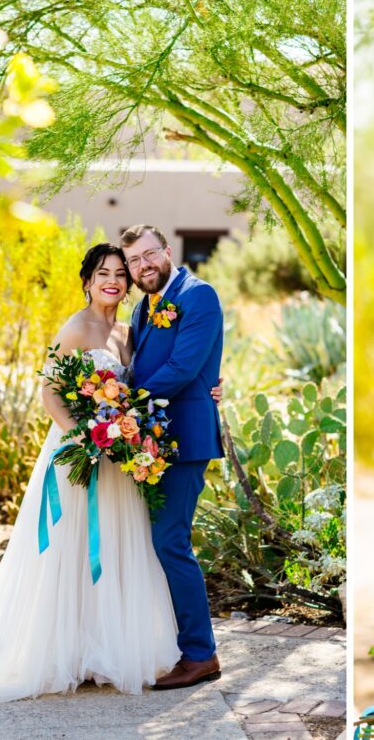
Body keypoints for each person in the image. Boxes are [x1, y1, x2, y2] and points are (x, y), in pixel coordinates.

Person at [0, 243, 222, 707]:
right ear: (87, 281)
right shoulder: (76, 327)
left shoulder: (129, 327)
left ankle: (102, 650)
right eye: (104, 273)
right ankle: (63, 652)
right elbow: (49, 393)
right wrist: (85, 436)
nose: (114, 280)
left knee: (119, 548)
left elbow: (151, 375)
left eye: (121, 272)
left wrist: (207, 384)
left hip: (118, 452)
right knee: (69, 550)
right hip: (81, 451)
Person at [120, 225, 225, 690]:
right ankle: (174, 645)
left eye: (148, 255)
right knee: (156, 543)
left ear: (166, 251)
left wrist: (120, 403)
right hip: (149, 440)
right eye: (133, 262)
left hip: (183, 441)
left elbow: (184, 367)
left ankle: (201, 655)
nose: (142, 266)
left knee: (171, 543)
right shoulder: (144, 307)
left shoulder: (198, 296)